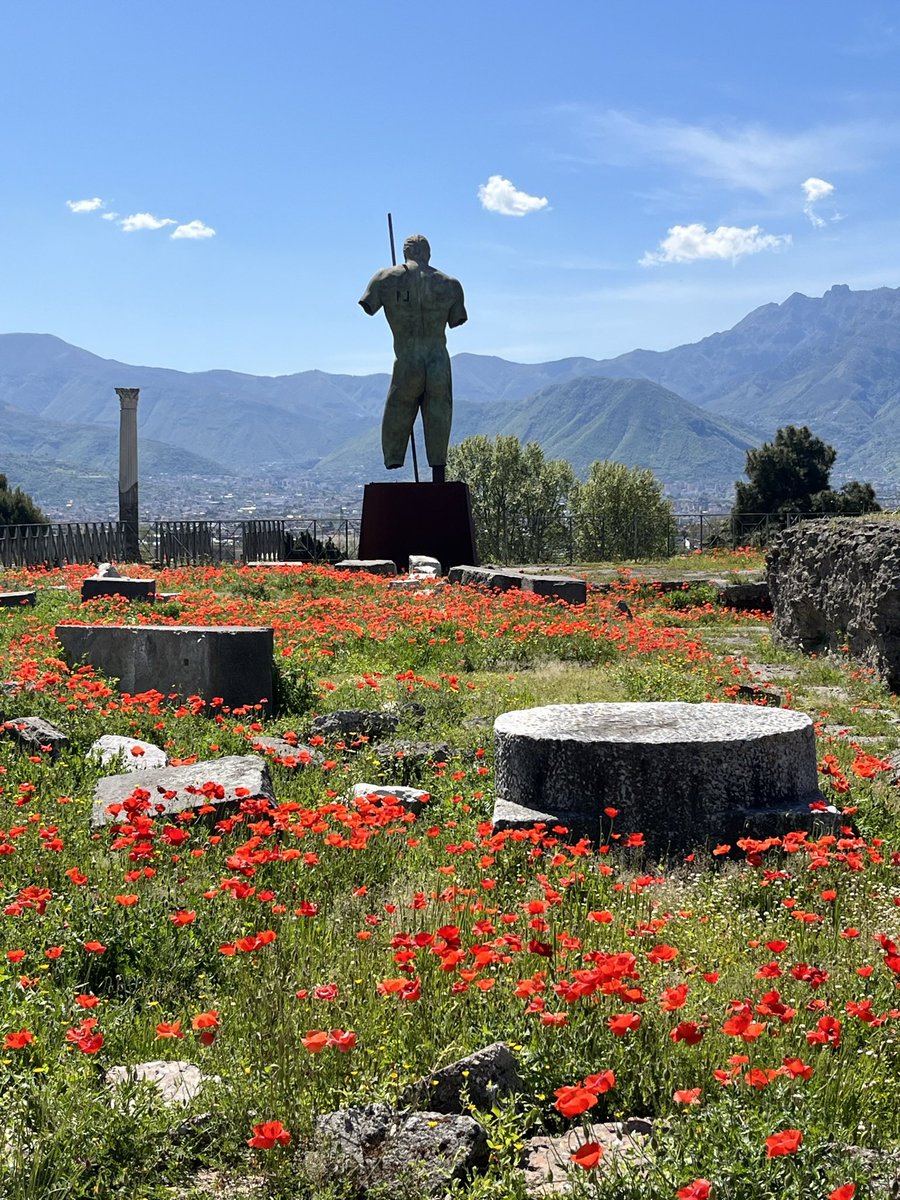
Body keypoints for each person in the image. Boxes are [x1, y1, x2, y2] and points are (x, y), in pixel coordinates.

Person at [359, 234, 467, 484]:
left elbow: (369, 304)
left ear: (405, 252)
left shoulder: (384, 278)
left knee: (398, 407)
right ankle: (438, 463)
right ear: (428, 253)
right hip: (437, 361)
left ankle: (394, 457)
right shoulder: (450, 284)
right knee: (439, 413)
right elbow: (456, 320)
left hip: (407, 361)